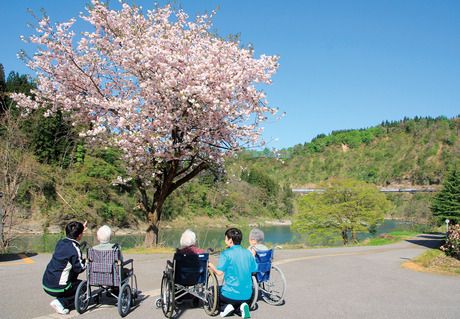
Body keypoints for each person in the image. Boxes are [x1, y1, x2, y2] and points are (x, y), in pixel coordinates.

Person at [209, 228, 257, 319]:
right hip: (247, 295)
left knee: (213, 290)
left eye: (226, 238)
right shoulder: (248, 253)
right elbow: (254, 270)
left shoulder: (226, 253)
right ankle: (242, 307)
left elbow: (219, 273)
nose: (225, 240)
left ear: (230, 240)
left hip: (229, 295)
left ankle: (226, 307)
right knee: (241, 299)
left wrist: (211, 266)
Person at [42, 221, 87, 315]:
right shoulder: (75, 249)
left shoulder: (60, 242)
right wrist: (88, 261)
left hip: (46, 282)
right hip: (57, 287)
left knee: (68, 271)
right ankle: (61, 302)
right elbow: (80, 268)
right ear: (79, 235)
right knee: (83, 286)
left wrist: (80, 228)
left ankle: (62, 299)